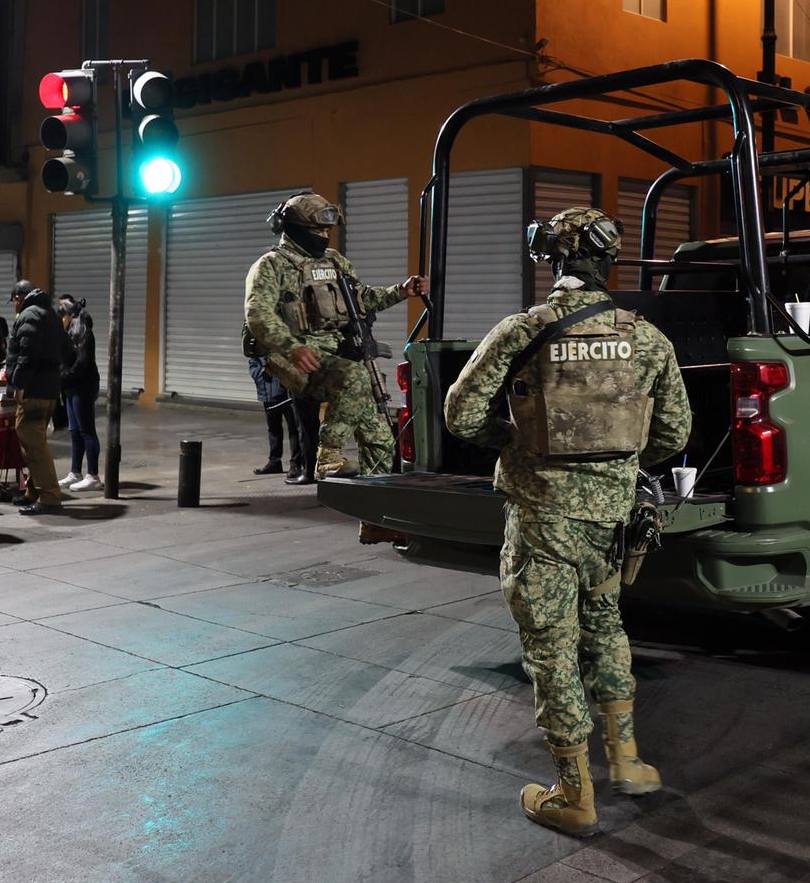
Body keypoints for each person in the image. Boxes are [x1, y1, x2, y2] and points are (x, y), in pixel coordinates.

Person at [444, 207, 691, 838]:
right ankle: (628, 761)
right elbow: (673, 433)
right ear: (609, 260)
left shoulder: (522, 331)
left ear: (551, 259)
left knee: (551, 647)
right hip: (611, 520)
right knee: (606, 627)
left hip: (542, 519)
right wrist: (616, 465)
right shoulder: (646, 337)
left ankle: (574, 794)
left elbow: (461, 414)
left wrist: (517, 440)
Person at [244, 194, 429, 481]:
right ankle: (328, 457)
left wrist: (402, 291)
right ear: (295, 229)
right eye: (317, 230)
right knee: (354, 377)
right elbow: (258, 315)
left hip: (339, 355)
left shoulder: (335, 262)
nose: (325, 236)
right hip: (299, 359)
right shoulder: (271, 266)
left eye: (327, 230)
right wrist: (292, 348)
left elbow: (362, 298)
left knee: (380, 437)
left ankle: (374, 500)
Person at [6, 279, 74, 515]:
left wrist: (20, 384)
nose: (15, 305)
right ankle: (33, 491)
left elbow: (27, 355)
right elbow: (67, 350)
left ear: (20, 297)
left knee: (33, 444)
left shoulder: (29, 316)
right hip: (50, 391)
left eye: (15, 300)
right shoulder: (52, 315)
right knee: (33, 442)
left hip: (33, 390)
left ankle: (49, 497)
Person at [58, 296, 102, 492]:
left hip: (82, 386)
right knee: (75, 431)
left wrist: (66, 376)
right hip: (71, 386)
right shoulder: (68, 331)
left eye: (62, 316)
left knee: (86, 431)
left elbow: (82, 362)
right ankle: (75, 472)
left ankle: (93, 476)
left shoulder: (81, 330)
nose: (60, 320)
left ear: (69, 316)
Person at [249, 354, 305, 479]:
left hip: (287, 391)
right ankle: (274, 462)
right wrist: (260, 374)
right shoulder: (259, 346)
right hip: (267, 390)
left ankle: (296, 464)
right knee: (273, 428)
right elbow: (253, 361)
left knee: (294, 429)